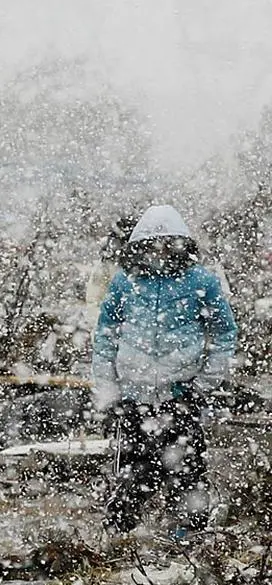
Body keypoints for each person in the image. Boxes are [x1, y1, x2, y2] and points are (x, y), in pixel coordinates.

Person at [91, 204, 238, 540]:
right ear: (139, 245)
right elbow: (105, 336)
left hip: (180, 393)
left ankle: (187, 536)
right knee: (132, 468)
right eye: (152, 244)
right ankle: (121, 536)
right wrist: (108, 389)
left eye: (167, 243)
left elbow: (224, 332)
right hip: (134, 395)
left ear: (180, 243)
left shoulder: (201, 281)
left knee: (186, 468)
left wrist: (205, 382)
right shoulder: (125, 283)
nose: (159, 252)